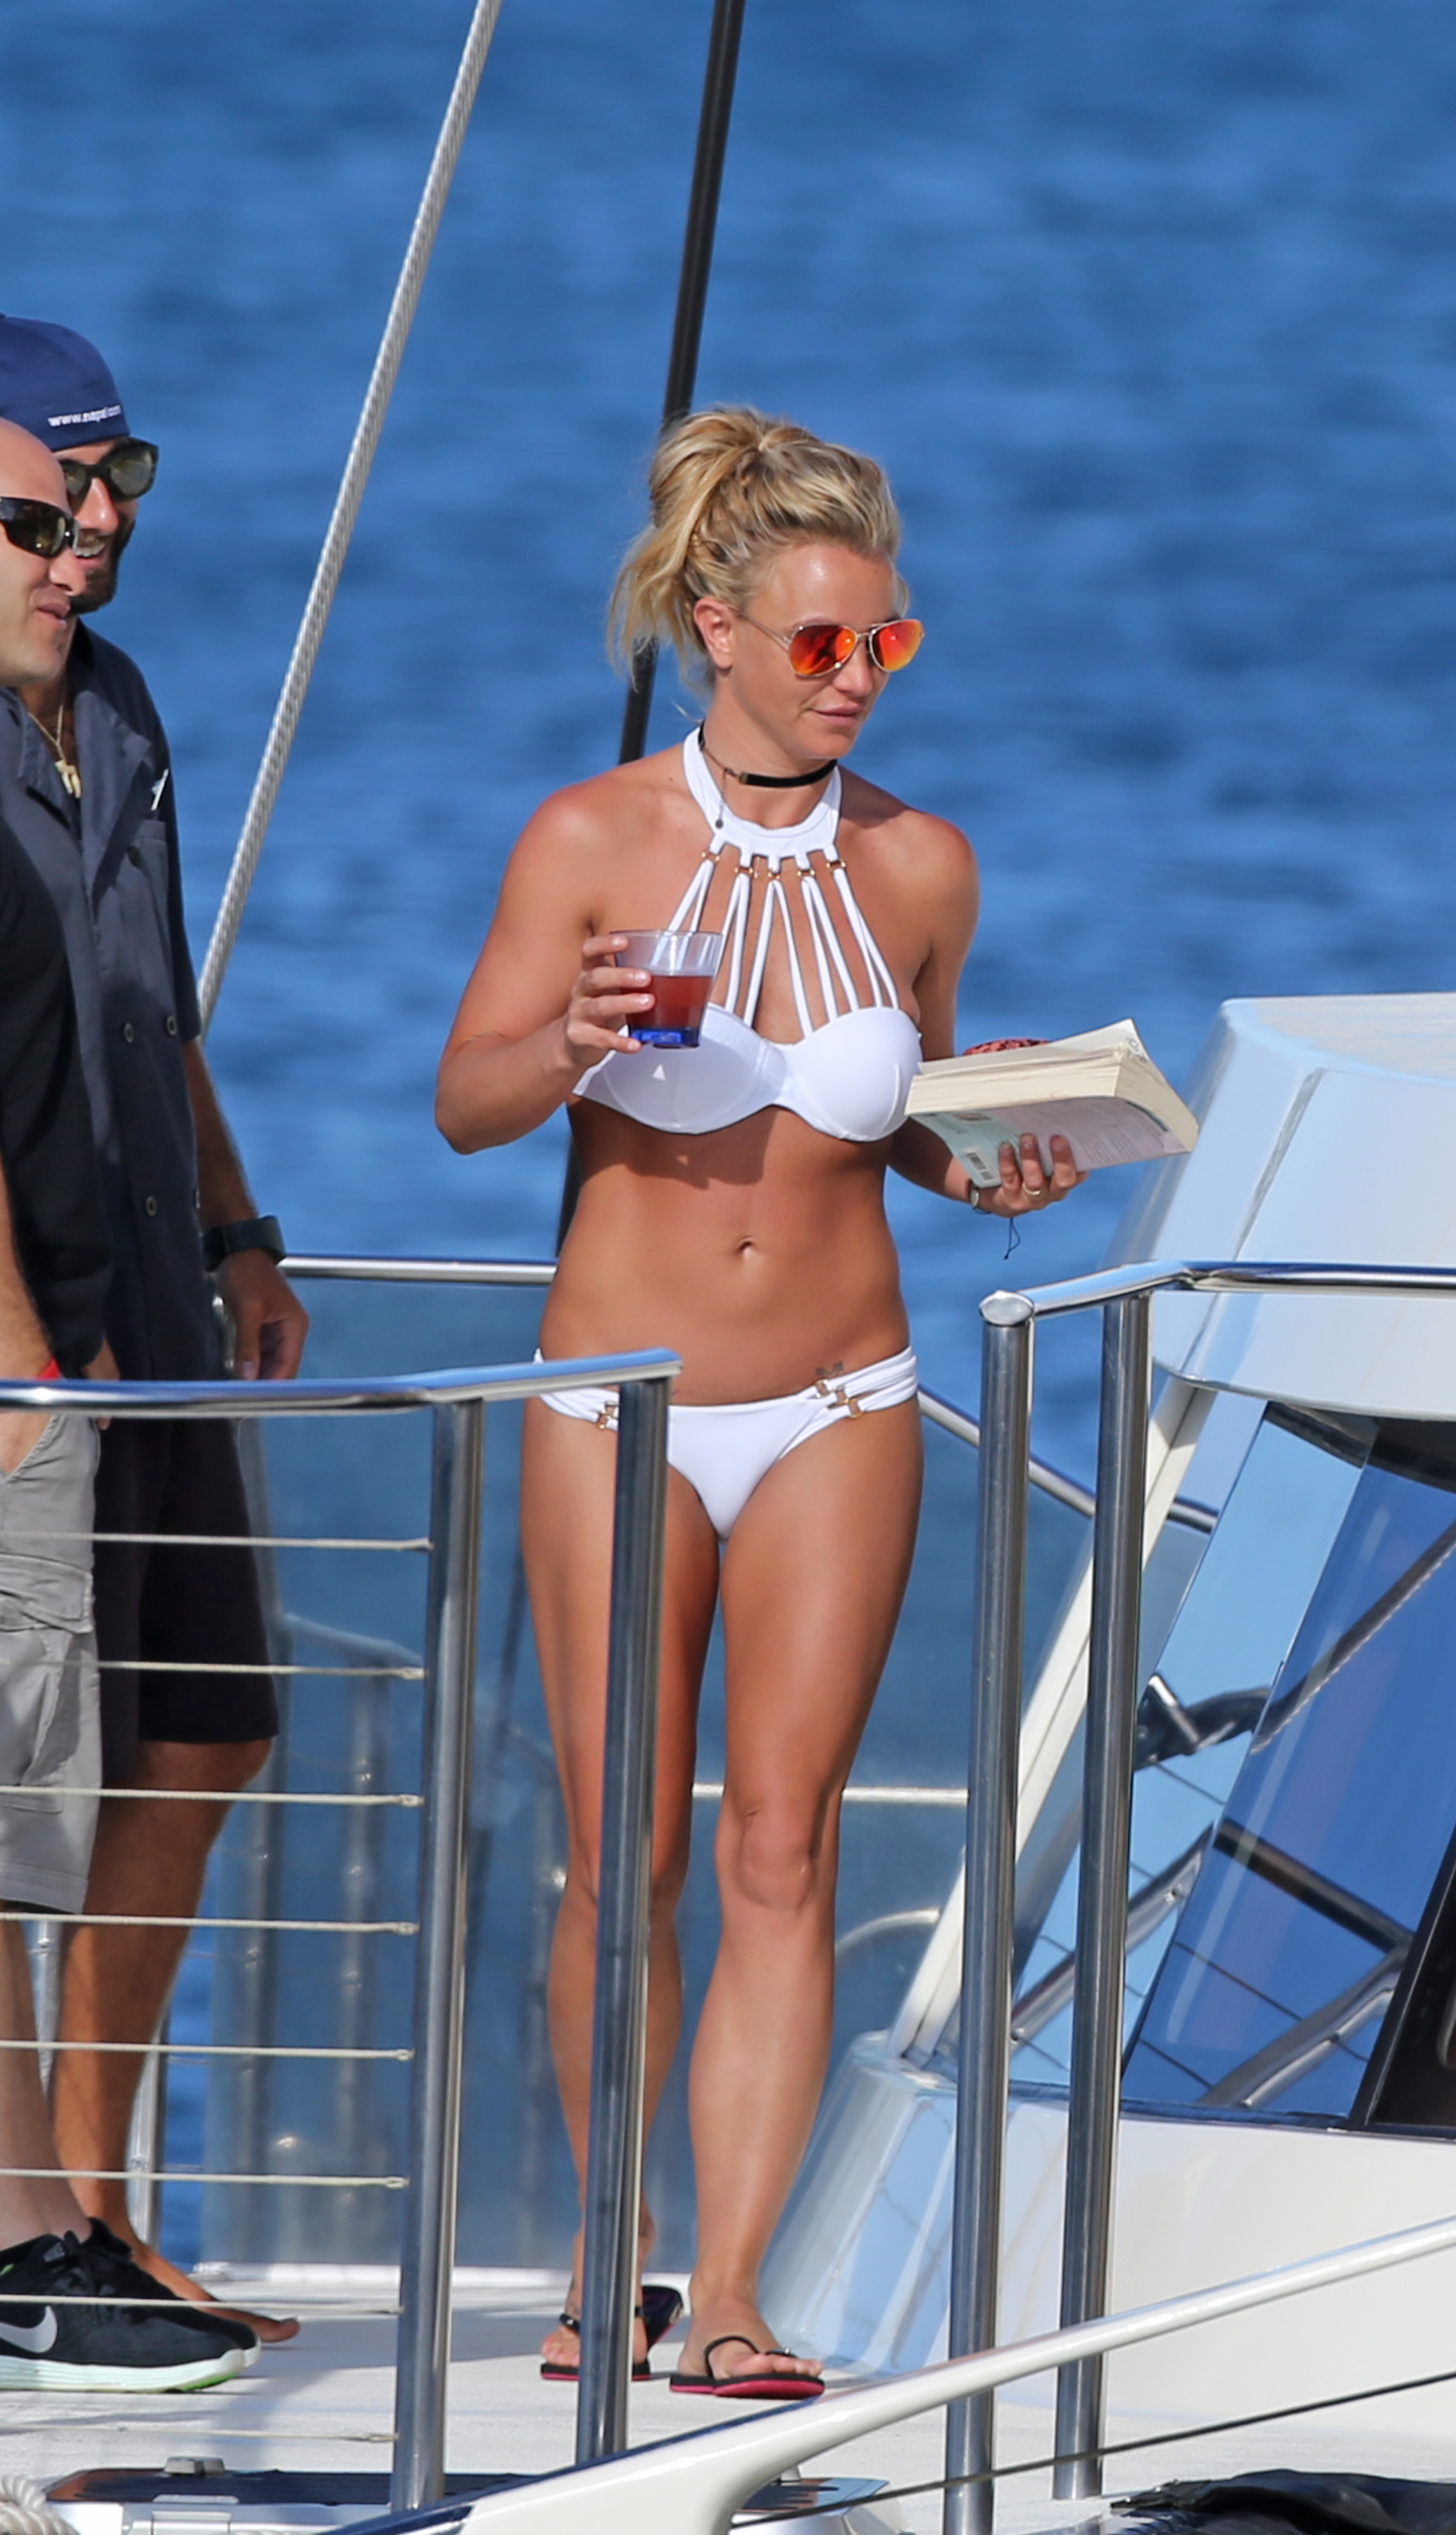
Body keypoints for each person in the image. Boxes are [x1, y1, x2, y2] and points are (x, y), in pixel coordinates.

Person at [438, 406, 1080, 2396]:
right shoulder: (590, 841)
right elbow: (465, 1105)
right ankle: (604, 2257)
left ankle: (729, 2293)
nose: (856, 676)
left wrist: (990, 1157)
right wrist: (575, 1035)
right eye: (821, 642)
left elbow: (895, 1121)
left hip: (843, 1399)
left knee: (785, 1848)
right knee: (619, 1852)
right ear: (715, 629)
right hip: (619, 1403)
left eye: (886, 642)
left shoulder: (922, 865)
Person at [0, 318, 308, 2342]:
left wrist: (241, 1228)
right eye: (47, 504)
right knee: (17, 1790)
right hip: (34, 1354)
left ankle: (96, 2208)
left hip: (163, 1315)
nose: (92, 532)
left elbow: (155, 1010)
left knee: (205, 1727)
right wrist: (21, 1359)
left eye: (121, 486)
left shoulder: (117, 709)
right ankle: (28, 2234)